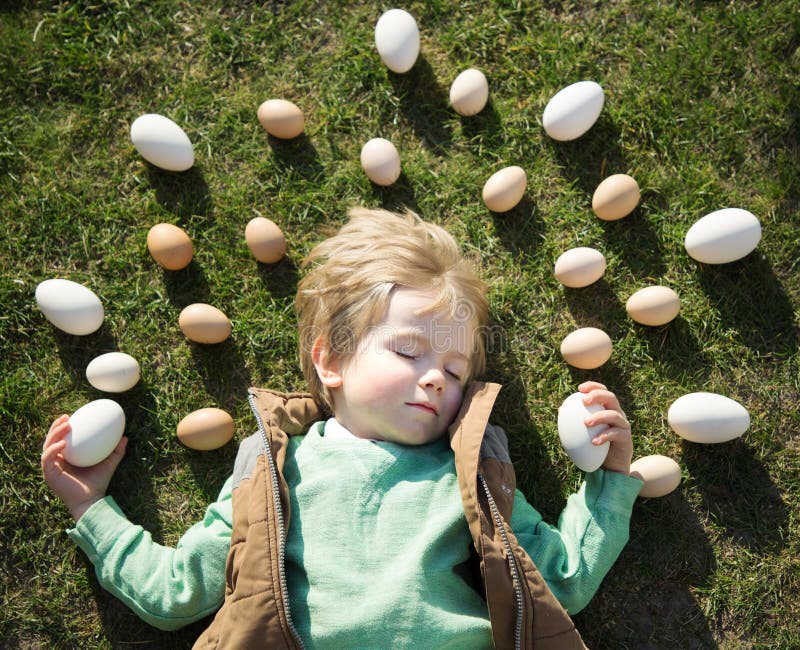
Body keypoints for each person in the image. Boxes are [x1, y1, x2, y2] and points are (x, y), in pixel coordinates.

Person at [43, 207, 643, 649]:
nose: (436, 379)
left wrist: (610, 478)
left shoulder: (470, 478)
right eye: (409, 352)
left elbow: (560, 581)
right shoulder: (273, 472)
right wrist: (91, 507)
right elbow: (173, 594)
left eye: (455, 371)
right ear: (330, 361)